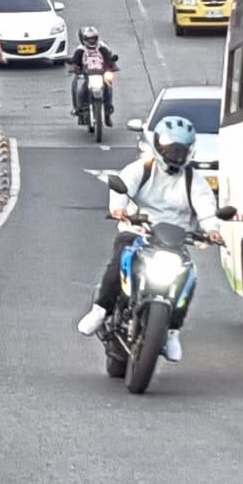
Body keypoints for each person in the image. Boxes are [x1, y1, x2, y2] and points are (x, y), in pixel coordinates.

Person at [76, 116, 225, 361]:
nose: (175, 156)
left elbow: (206, 207)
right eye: (170, 150)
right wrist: (119, 210)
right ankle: (100, 310)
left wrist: (212, 229)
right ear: (158, 147)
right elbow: (122, 186)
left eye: (180, 151)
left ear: (189, 152)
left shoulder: (194, 181)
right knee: (120, 258)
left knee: (189, 275)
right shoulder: (141, 169)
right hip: (139, 232)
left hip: (174, 241)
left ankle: (173, 330)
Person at [70, 26, 117, 126]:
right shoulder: (80, 50)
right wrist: (74, 67)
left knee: (109, 88)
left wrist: (112, 66)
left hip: (101, 74)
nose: (91, 41)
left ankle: (107, 114)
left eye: (93, 38)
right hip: (86, 75)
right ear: (84, 39)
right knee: (78, 89)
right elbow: (75, 61)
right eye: (89, 39)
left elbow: (109, 59)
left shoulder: (102, 48)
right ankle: (79, 109)